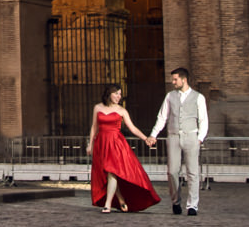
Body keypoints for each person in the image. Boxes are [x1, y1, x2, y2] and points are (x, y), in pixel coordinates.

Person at [86, 85, 161, 213]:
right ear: (109, 94)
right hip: (101, 143)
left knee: (112, 171)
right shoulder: (97, 108)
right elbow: (94, 127)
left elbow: (132, 128)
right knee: (107, 173)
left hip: (116, 144)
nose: (119, 97)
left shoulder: (122, 110)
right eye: (116, 94)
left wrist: (145, 138)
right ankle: (120, 199)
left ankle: (108, 204)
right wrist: (90, 144)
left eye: (120, 94)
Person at [149, 66, 209, 216]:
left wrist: (200, 139)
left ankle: (192, 206)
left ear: (184, 79)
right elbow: (162, 117)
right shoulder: (170, 96)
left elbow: (203, 120)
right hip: (174, 136)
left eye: (175, 79)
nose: (173, 82)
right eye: (172, 79)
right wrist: (153, 135)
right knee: (172, 171)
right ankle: (176, 202)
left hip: (191, 136)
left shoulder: (199, 97)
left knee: (193, 173)